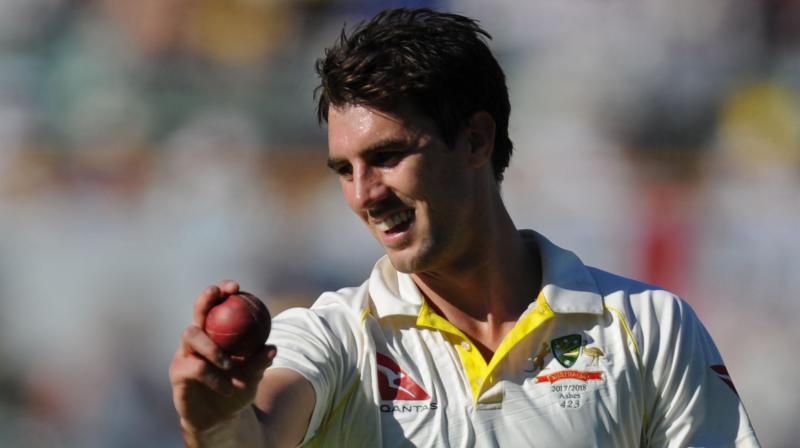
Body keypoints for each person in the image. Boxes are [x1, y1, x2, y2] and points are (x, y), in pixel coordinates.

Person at [169, 8, 760, 447]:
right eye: (344, 169)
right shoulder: (339, 336)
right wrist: (218, 418)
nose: (363, 195)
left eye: (387, 157)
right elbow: (263, 429)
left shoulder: (651, 327)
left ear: (475, 140)